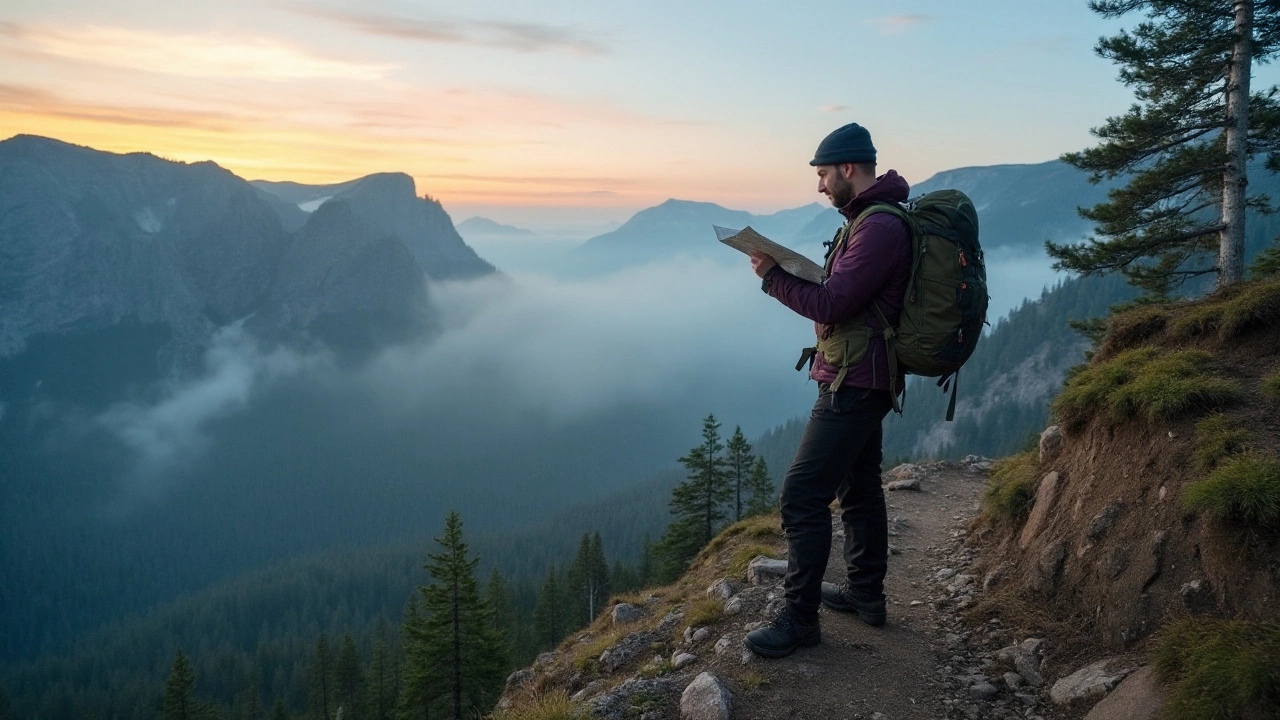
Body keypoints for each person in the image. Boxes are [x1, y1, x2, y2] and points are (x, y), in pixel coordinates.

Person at [743, 122, 912, 658]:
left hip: (855, 382)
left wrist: (773, 277)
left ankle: (799, 621)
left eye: (822, 174)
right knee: (859, 485)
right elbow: (845, 295)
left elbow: (832, 304)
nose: (819, 187)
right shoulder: (867, 221)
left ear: (845, 169)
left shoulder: (878, 228)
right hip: (865, 375)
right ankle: (866, 595)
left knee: (802, 495)